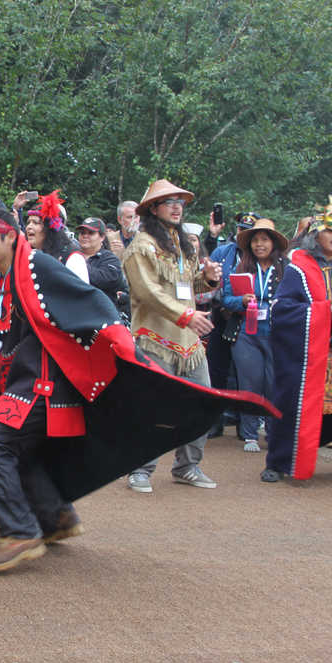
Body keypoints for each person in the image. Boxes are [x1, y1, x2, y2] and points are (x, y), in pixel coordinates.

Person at [0, 207, 276, 573]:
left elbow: (94, 301)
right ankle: (56, 515)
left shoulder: (37, 267)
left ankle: (19, 532)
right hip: (24, 382)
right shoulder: (1, 280)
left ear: (10, 237)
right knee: (17, 448)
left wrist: (124, 347)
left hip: (46, 385)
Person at [122, 179, 222, 492]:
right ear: (153, 208)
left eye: (181, 201)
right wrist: (187, 315)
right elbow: (147, 293)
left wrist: (207, 279)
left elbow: (190, 285)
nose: (178, 207)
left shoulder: (184, 245)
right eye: (170, 201)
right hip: (155, 340)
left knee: (205, 404)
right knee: (153, 408)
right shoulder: (141, 246)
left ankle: (187, 466)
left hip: (190, 343)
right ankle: (139, 469)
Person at [264, 201, 332, 482]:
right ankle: (279, 461)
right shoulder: (300, 268)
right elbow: (281, 309)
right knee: (292, 402)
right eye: (329, 230)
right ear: (315, 234)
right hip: (309, 353)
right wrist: (324, 312)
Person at [220, 218, 287, 453]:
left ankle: (273, 431)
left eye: (264, 240)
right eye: (255, 241)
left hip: (277, 334)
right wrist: (241, 300)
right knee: (249, 382)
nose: (259, 245)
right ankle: (249, 434)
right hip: (246, 334)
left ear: (273, 243)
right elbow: (225, 299)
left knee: (273, 383)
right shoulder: (240, 269)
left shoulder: (286, 269)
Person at [23, 191, 89, 283]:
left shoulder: (72, 257)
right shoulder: (29, 255)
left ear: (49, 228)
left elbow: (83, 295)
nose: (29, 227)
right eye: (28, 222)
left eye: (36, 223)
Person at [77, 217, 128, 322]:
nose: (85, 236)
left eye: (91, 233)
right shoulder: (70, 254)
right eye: (82, 233)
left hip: (102, 318)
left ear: (102, 237)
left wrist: (77, 265)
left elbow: (106, 280)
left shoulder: (110, 259)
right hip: (75, 314)